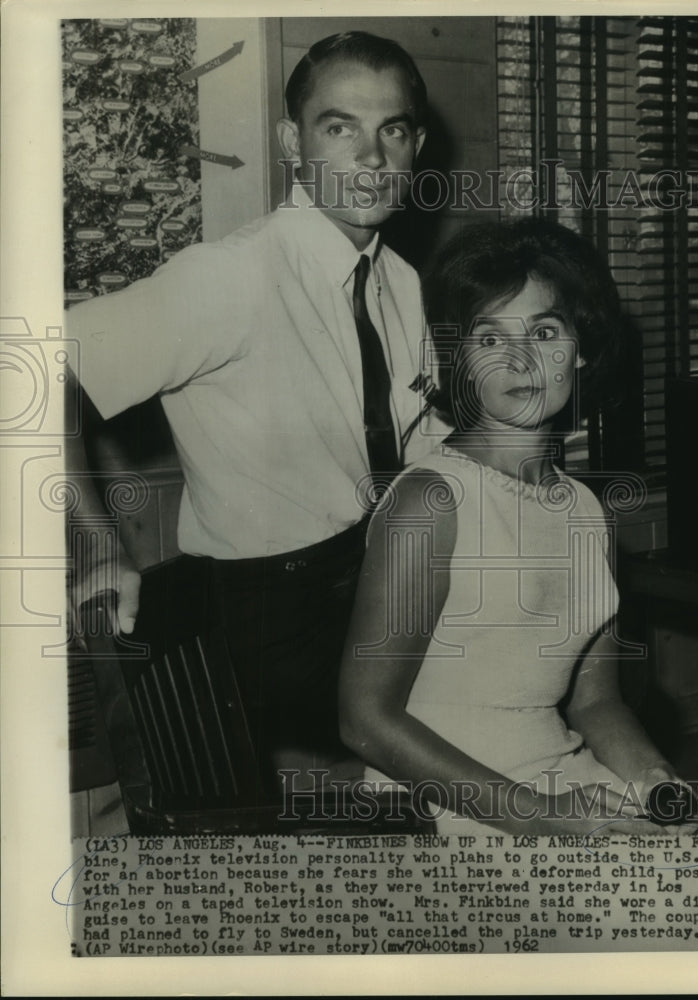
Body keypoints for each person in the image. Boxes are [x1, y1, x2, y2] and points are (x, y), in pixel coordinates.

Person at [65, 31, 433, 790]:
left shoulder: (402, 282)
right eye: (340, 128)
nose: (371, 159)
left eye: (391, 130)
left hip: (375, 581)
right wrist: (95, 545)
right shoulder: (229, 277)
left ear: (416, 145)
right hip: (267, 618)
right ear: (291, 142)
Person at [339, 217, 698, 835]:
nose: (519, 359)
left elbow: (595, 701)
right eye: (489, 336)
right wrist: (543, 818)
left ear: (580, 349)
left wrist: (655, 783)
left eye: (545, 331)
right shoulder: (432, 500)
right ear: (459, 358)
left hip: (561, 780)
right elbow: (365, 719)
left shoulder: (588, 512)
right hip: (443, 808)